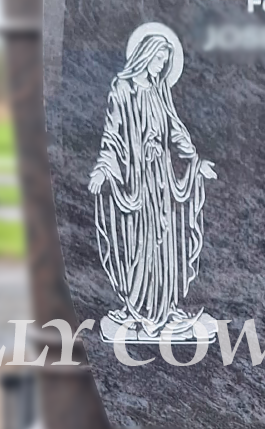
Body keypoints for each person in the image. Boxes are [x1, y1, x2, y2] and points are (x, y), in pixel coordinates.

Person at [89, 23, 216, 344]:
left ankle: (165, 305)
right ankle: (141, 307)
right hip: (135, 178)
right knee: (141, 241)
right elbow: (112, 133)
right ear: (145, 55)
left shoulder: (160, 89)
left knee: (164, 239)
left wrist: (195, 160)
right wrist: (104, 168)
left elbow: (174, 128)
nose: (162, 65)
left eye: (166, 60)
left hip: (160, 177)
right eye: (159, 59)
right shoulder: (123, 88)